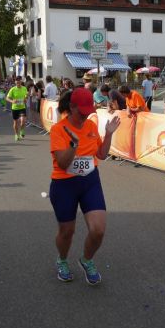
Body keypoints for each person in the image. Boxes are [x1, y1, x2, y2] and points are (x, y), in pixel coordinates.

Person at [49, 88, 121, 285]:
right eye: (81, 112)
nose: (84, 116)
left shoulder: (90, 125)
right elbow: (62, 164)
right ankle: (62, 260)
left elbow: (102, 155)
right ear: (71, 107)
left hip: (90, 181)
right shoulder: (58, 130)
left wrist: (108, 134)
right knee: (67, 232)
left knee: (98, 230)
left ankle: (87, 260)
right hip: (64, 184)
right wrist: (73, 145)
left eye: (87, 112)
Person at [6, 77, 28, 142]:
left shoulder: (24, 88)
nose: (18, 82)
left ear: (21, 81)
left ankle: (21, 130)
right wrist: (12, 101)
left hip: (22, 107)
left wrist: (26, 99)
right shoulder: (12, 89)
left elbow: (26, 96)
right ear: (15, 82)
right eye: (16, 81)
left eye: (19, 81)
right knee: (15, 122)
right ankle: (16, 134)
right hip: (15, 108)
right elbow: (7, 98)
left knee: (23, 121)